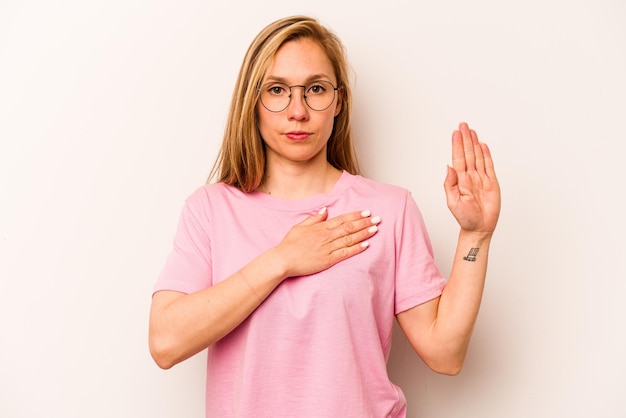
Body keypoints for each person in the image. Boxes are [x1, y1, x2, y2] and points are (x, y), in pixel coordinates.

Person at [149, 15, 501, 418]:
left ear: (338, 101)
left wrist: (475, 237)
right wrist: (282, 260)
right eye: (277, 90)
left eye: (315, 89)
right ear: (252, 101)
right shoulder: (210, 209)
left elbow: (445, 354)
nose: (297, 111)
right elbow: (165, 342)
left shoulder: (390, 209)